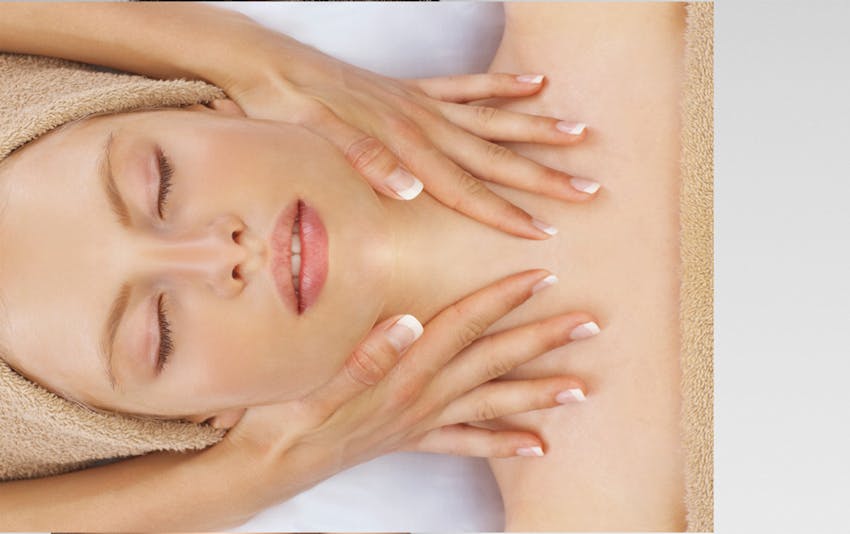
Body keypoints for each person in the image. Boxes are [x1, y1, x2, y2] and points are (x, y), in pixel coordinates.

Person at [0, 2, 695, 531]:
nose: (219, 254)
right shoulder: (600, 509)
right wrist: (244, 481)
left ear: (202, 100)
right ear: (205, 423)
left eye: (161, 181)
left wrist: (249, 55)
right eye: (159, 333)